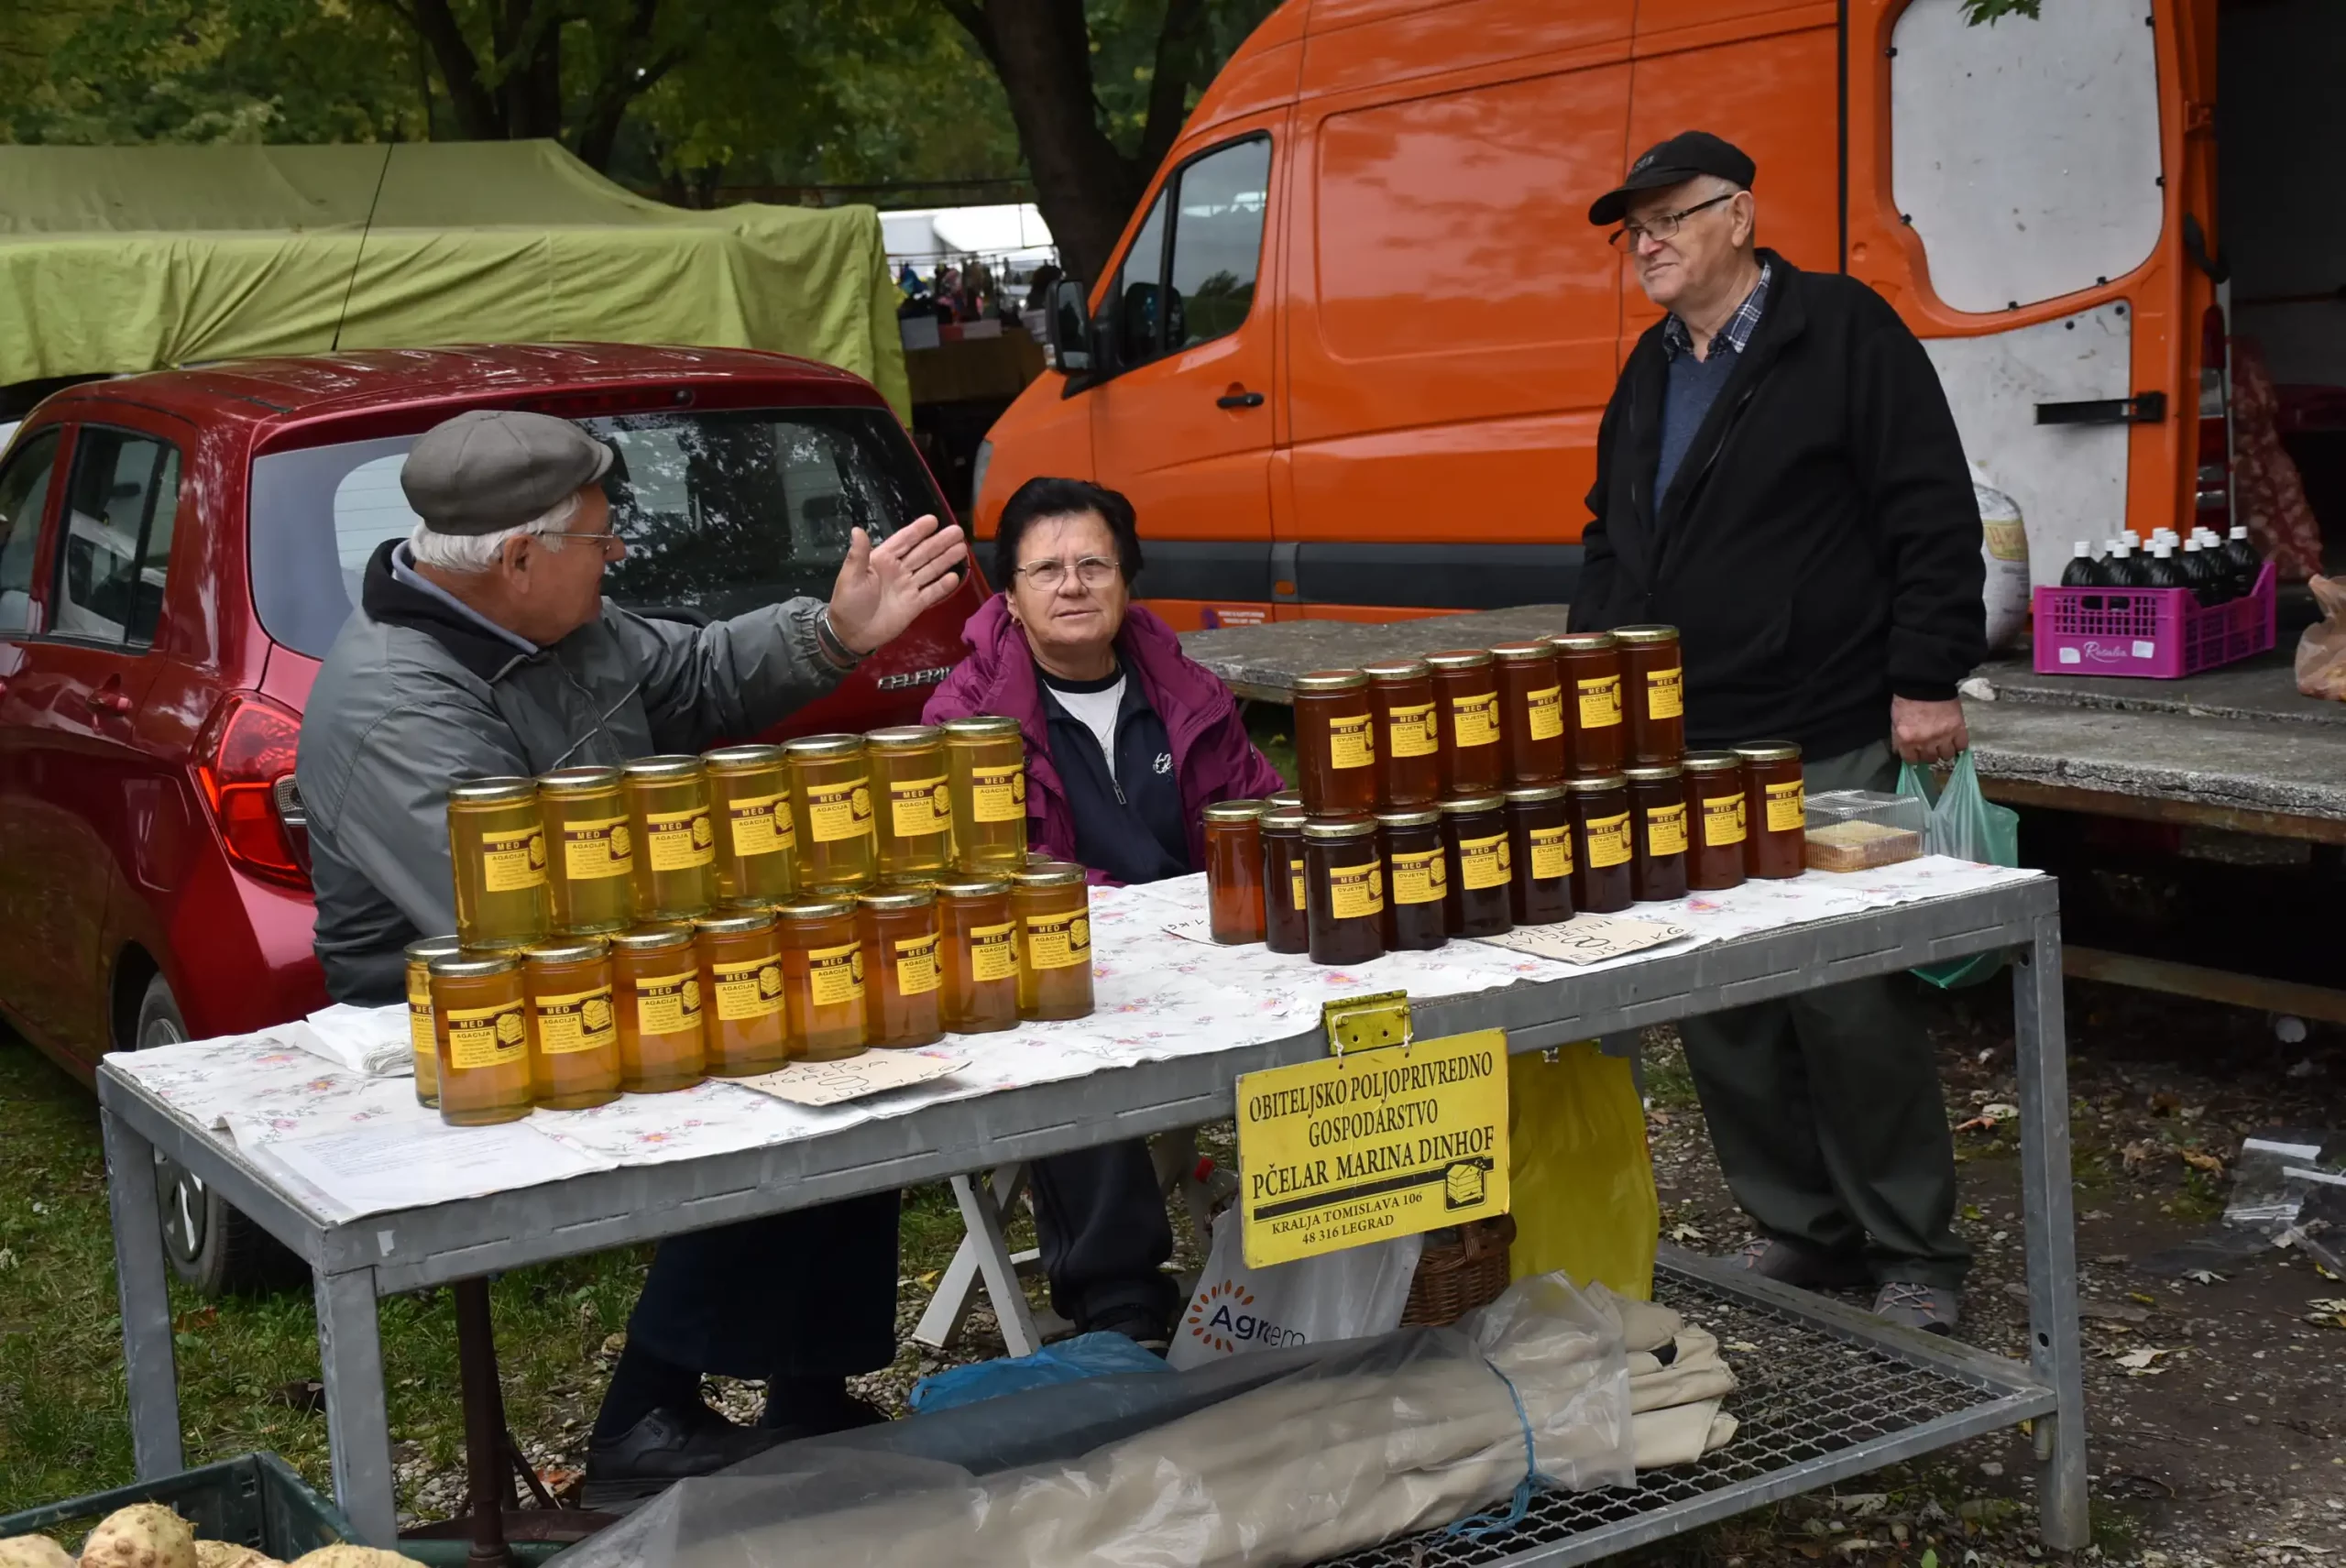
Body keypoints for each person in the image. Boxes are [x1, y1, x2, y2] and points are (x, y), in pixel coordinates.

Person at [294, 409, 969, 1502]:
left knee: (844, 1051)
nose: (619, 558)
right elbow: (517, 911)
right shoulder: (392, 701)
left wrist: (834, 631)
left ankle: (806, 1388)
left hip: (590, 954)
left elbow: (694, 673)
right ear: (519, 558)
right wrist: (731, 919)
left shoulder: (560, 628)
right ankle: (643, 1416)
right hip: (451, 1013)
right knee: (763, 1058)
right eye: (601, 541)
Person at [1574, 132, 1987, 1333]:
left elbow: (1929, 508)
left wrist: (1925, 678)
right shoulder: (1651, 367)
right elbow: (1613, 530)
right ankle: (1801, 1222)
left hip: (1827, 725)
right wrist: (1597, 672)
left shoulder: (1844, 334)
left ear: (1740, 215)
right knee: (1725, 1002)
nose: (1645, 244)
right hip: (1686, 737)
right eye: (1631, 228)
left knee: (1848, 997)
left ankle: (1915, 1247)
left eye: (1667, 219)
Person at [924, 477, 1284, 1343]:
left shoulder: (1187, 689)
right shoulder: (965, 718)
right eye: (1045, 569)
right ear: (1008, 595)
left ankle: (1328, 1241)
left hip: (1209, 953)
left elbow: (1257, 812)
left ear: (1127, 579)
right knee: (1059, 1031)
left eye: (1093, 563)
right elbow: (990, 876)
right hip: (1074, 963)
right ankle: (1120, 1297)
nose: (1072, 585)